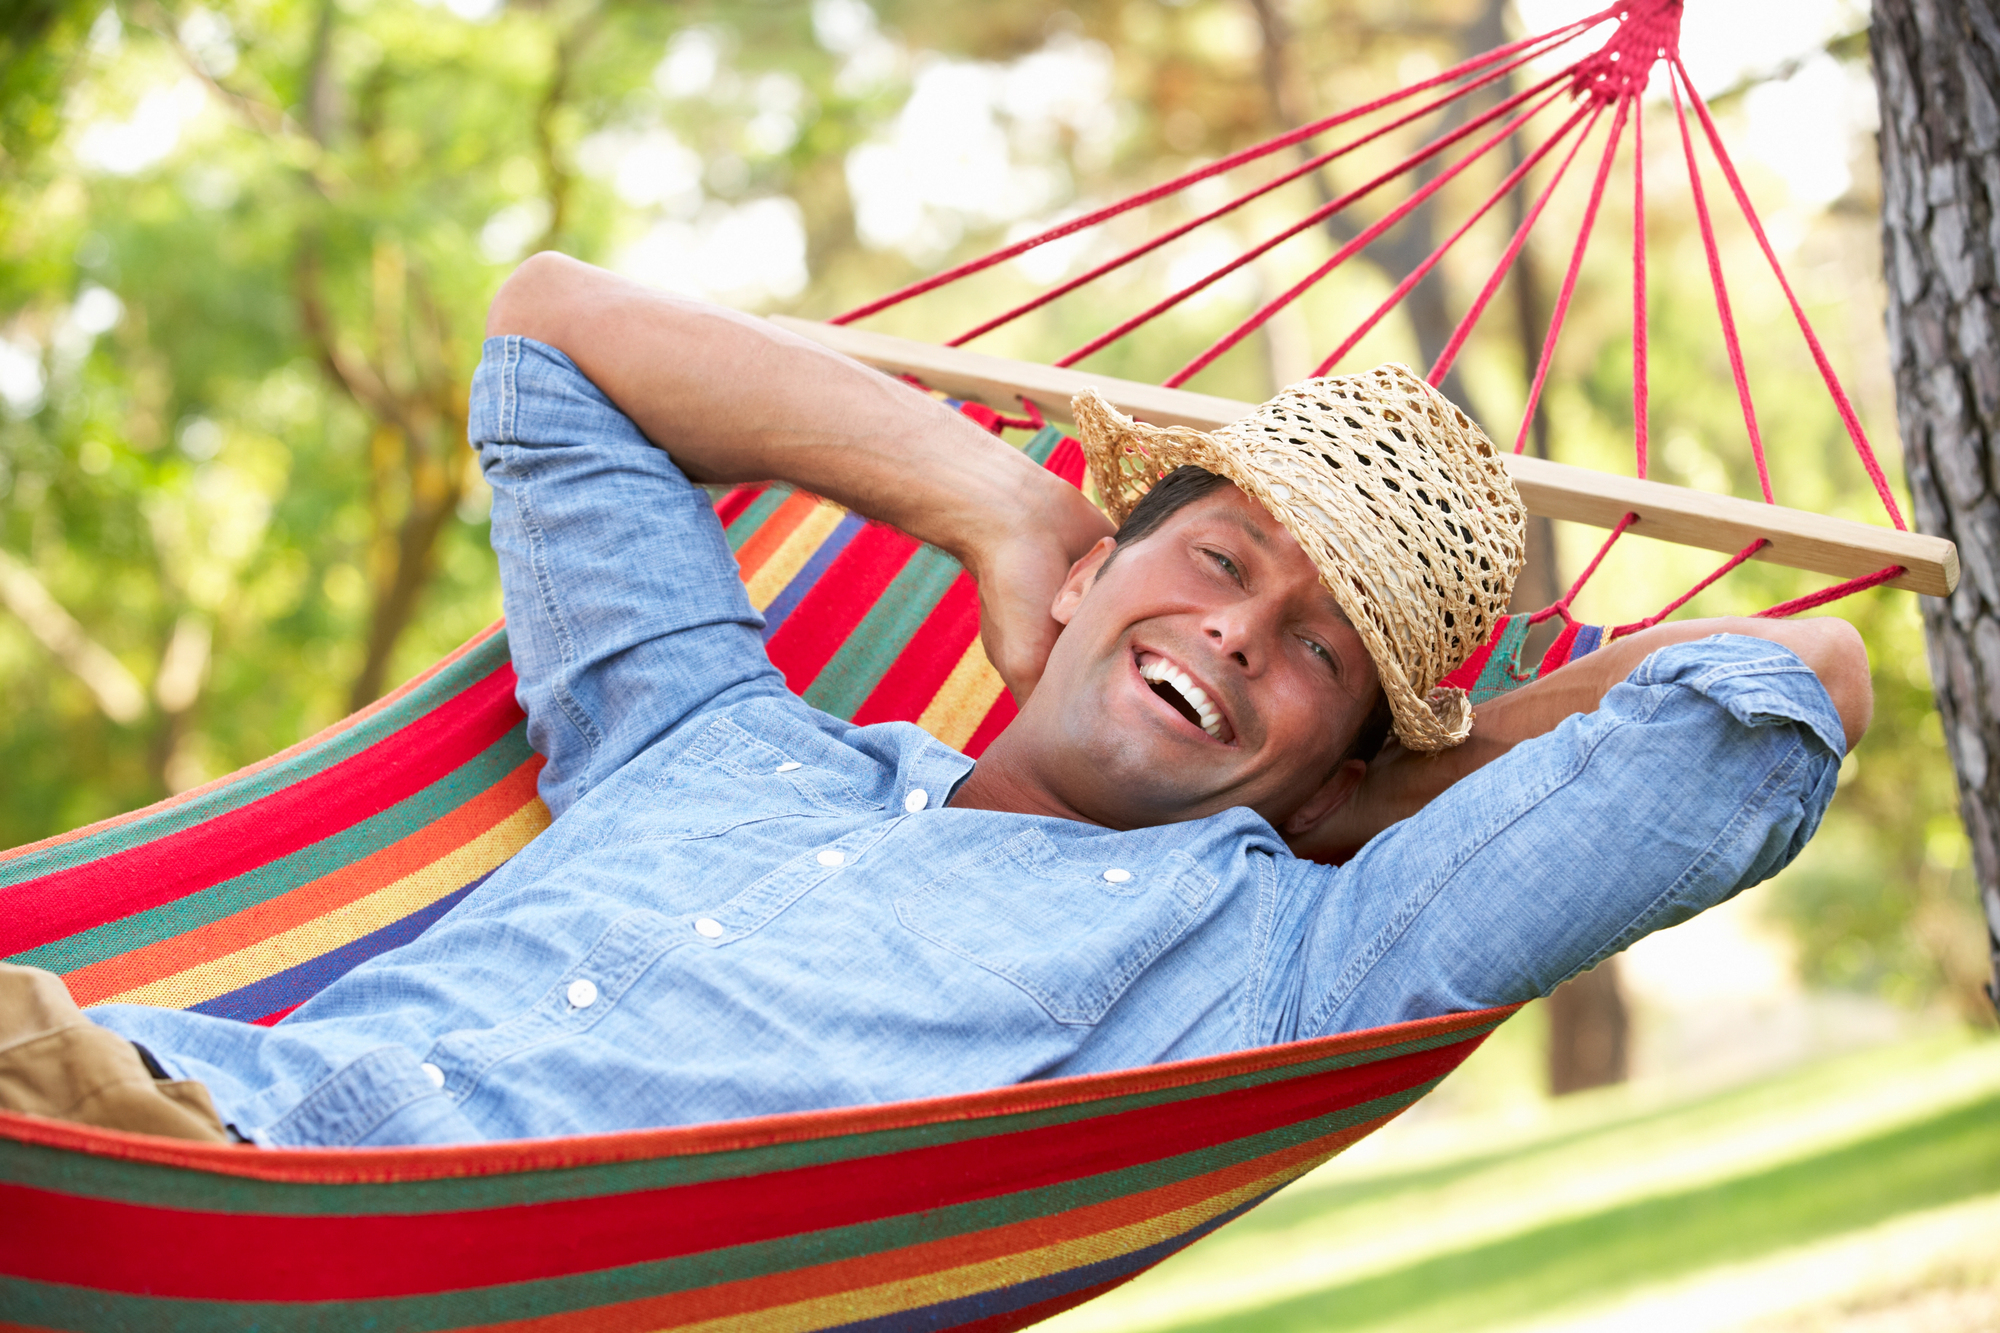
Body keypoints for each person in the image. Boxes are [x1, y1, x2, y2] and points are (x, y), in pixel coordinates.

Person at [0, 253, 1869, 1147]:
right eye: (1219, 561)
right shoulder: (708, 732)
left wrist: (1371, 803)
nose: (1236, 633)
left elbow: (1788, 682)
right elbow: (551, 330)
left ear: (1333, 753)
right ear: (1092, 576)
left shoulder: (1279, 966)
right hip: (134, 1123)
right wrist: (988, 497)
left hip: (325, 1240)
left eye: (1318, 650)